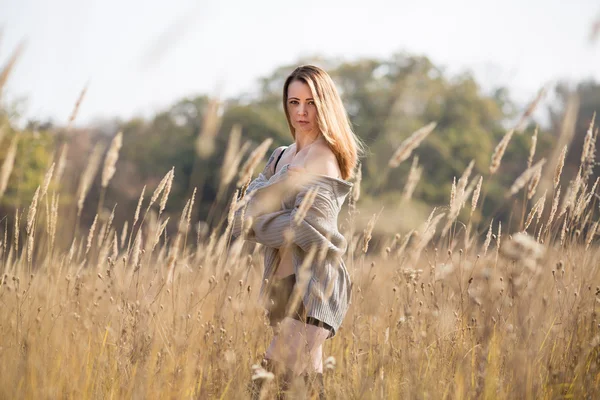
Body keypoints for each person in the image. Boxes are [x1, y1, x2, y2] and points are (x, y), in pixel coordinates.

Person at [232, 65, 363, 399]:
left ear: (325, 105)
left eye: (311, 102)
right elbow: (241, 215)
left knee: (262, 386)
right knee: (303, 387)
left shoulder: (324, 157)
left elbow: (303, 230)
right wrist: (282, 182)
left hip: (314, 288)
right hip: (280, 286)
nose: (302, 111)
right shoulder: (280, 157)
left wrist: (258, 224)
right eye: (294, 102)